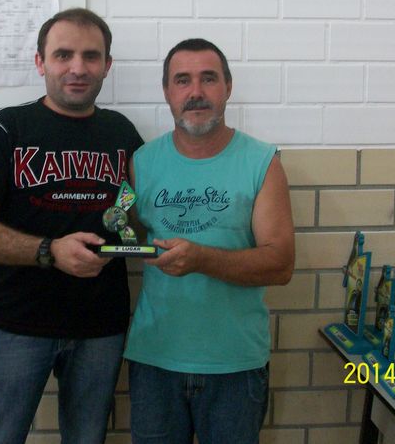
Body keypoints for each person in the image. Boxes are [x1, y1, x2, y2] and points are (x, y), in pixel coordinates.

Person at [0, 8, 143, 444]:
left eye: (91, 56)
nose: (78, 68)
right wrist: (49, 251)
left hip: (100, 325)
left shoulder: (122, 133)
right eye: (63, 55)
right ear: (40, 62)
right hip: (18, 323)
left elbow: (135, 213)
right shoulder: (7, 128)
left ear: (107, 65)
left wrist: (140, 228)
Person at [124, 38, 295, 444]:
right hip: (155, 359)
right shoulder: (142, 162)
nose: (196, 92)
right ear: (167, 91)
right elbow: (126, 231)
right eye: (182, 80)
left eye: (209, 79)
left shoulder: (262, 162)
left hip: (234, 365)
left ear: (228, 87)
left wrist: (202, 259)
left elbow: (281, 264)